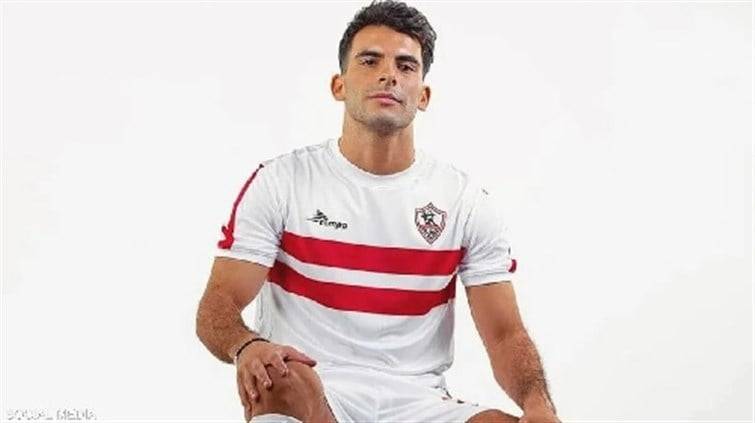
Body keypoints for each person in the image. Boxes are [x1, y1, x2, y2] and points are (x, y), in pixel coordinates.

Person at [196, 1, 559, 422]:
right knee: (277, 380)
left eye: (406, 66)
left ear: (423, 96)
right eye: (370, 61)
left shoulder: (464, 201)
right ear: (339, 85)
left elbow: (505, 335)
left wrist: (538, 404)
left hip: (420, 403)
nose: (389, 74)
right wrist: (246, 345)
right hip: (316, 391)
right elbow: (218, 304)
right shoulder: (281, 182)